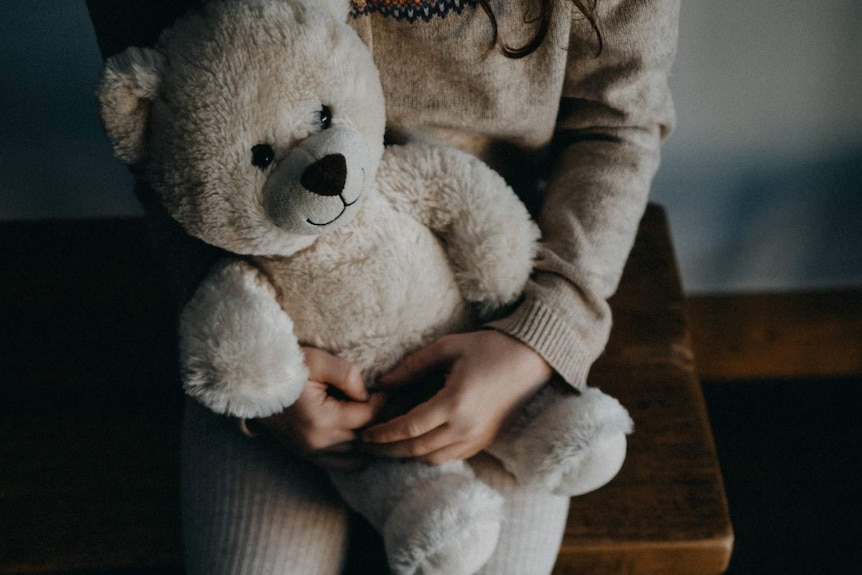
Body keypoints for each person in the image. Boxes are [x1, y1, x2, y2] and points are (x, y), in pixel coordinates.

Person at [88, 0, 679, 573]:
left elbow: (617, 124)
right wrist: (263, 386)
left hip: (500, 313)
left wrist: (541, 336)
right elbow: (167, 152)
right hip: (275, 307)